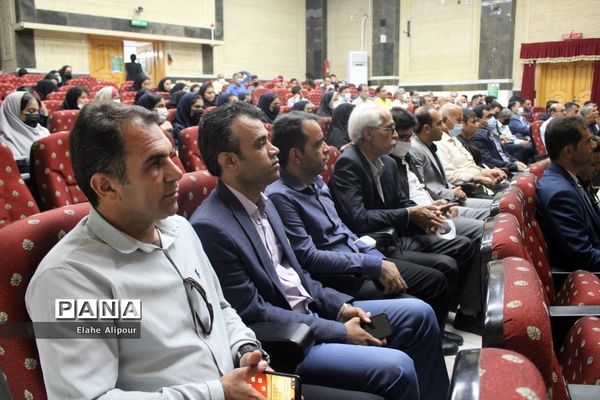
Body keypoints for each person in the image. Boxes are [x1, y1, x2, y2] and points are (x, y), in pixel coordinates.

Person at [25, 102, 369, 400]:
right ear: (106, 186)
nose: (177, 173)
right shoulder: (74, 279)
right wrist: (216, 392)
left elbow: (221, 309)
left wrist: (245, 350)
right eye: (155, 163)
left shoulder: (180, 230)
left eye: (171, 156)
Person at [189, 101, 449, 399]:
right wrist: (339, 331)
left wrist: (341, 309)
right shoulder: (212, 227)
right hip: (295, 344)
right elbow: (252, 312)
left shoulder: (265, 203)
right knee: (397, 367)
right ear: (229, 161)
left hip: (319, 315)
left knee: (417, 315)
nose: (274, 150)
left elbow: (299, 275)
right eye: (261, 144)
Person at [266, 111, 458, 355]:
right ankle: (384, 350)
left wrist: (377, 259)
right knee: (414, 312)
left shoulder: (316, 182)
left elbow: (342, 230)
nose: (327, 149)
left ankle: (402, 348)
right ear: (296, 156)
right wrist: (372, 265)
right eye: (318, 144)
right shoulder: (280, 196)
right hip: (338, 280)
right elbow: (308, 258)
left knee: (429, 286)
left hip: (357, 263)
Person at [327, 104, 483, 334]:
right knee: (440, 272)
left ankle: (453, 319)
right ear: (368, 133)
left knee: (463, 247)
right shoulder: (348, 163)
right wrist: (410, 214)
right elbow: (358, 219)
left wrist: (425, 211)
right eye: (390, 129)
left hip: (395, 234)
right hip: (374, 243)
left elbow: (401, 201)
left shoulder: (388, 162)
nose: (396, 135)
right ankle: (433, 332)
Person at [537, 116, 600, 272]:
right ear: (569, 151)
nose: (593, 145)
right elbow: (585, 257)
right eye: (588, 141)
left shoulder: (568, 178)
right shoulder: (560, 194)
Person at [434, 106, 506, 196]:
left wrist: (487, 172)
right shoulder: (439, 144)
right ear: (445, 121)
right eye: (459, 120)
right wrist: (476, 178)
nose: (461, 125)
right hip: (469, 191)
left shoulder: (454, 139)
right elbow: (449, 175)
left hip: (483, 186)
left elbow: (470, 166)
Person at [470, 104, 527, 175]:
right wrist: (513, 166)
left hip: (508, 165)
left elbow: (504, 153)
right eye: (489, 116)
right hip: (502, 170)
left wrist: (515, 161)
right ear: (478, 120)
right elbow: (487, 160)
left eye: (493, 116)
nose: (493, 119)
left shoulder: (490, 132)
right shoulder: (478, 136)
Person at [0, 91, 50, 171]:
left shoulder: (44, 131)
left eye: (37, 111)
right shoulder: (4, 141)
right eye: (31, 111)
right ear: (14, 112)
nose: (36, 114)